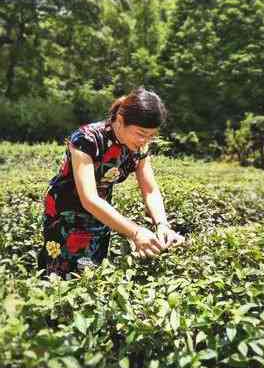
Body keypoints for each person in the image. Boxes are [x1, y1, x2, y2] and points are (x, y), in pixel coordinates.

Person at [38, 87, 184, 279]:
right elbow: (89, 198)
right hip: (65, 213)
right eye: (141, 133)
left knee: (92, 275)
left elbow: (150, 189)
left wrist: (162, 225)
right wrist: (136, 232)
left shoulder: (140, 147)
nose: (145, 141)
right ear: (121, 121)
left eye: (151, 136)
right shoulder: (87, 139)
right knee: (61, 276)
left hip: (101, 214)